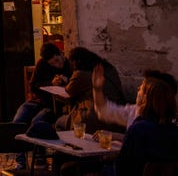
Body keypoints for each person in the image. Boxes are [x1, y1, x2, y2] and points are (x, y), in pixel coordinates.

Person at [12, 42, 72, 170]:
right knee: (17, 122)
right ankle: (21, 161)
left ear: (61, 53)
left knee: (37, 122)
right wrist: (51, 83)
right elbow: (33, 85)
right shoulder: (42, 64)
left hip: (54, 105)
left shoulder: (69, 65)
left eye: (57, 60)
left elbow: (74, 87)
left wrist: (66, 82)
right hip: (37, 101)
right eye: (53, 63)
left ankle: (40, 158)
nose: (57, 65)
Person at [115, 71, 178, 176]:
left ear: (146, 98)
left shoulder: (139, 129)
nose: (138, 89)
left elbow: (123, 167)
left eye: (142, 88)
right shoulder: (174, 131)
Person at [58, 47, 125, 134]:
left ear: (76, 61)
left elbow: (69, 90)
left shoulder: (80, 74)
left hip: (93, 118)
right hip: (116, 118)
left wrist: (65, 80)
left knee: (59, 123)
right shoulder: (110, 69)